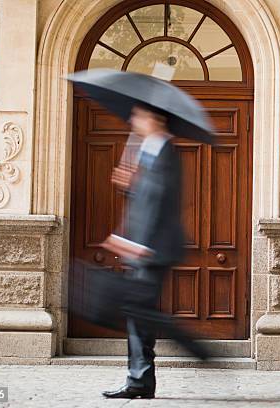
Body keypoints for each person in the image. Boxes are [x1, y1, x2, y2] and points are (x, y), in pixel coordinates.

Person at [101, 105, 185, 399]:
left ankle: (143, 378)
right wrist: (131, 184)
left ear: (154, 119)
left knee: (140, 314)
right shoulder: (150, 149)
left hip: (152, 248)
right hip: (146, 246)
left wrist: (137, 243)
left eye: (138, 115)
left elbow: (158, 202)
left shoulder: (164, 151)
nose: (133, 120)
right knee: (139, 315)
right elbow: (146, 197)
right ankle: (140, 380)